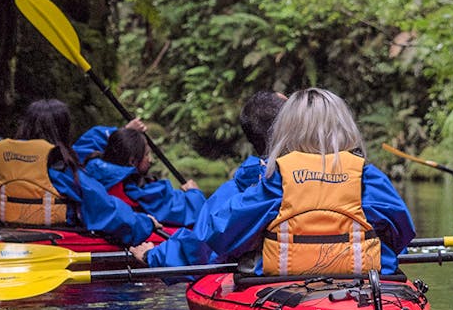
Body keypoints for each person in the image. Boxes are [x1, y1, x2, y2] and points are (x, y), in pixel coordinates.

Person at [138, 87, 415, 277]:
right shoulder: (366, 174)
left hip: (284, 281)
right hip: (363, 281)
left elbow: (221, 233)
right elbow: (403, 231)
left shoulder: (277, 177)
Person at [133, 90, 286, 268]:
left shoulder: (254, 185)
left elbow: (204, 240)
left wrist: (152, 255)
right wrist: (153, 255)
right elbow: (205, 241)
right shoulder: (274, 180)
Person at [0, 99, 157, 246]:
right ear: (64, 131)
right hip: (59, 240)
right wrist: (146, 223)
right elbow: (107, 212)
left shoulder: (4, 170)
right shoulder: (66, 174)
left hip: (10, 234)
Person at [82, 126, 206, 226]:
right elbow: (186, 211)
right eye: (147, 154)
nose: (151, 160)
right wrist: (194, 193)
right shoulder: (134, 191)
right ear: (132, 161)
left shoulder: (93, 170)